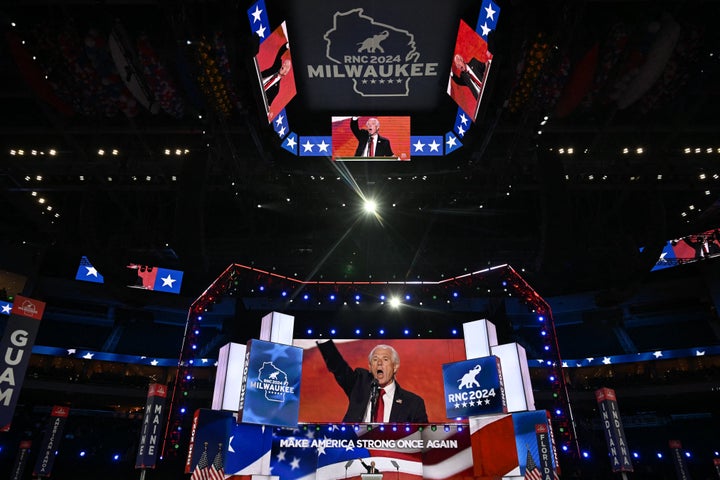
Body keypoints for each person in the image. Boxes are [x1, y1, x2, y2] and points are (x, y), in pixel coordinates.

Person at [316, 339, 428, 423]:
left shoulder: (413, 403)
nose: (379, 363)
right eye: (375, 359)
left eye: (385, 359)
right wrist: (323, 338)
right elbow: (338, 367)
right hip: (357, 452)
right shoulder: (358, 384)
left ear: (395, 367)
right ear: (370, 366)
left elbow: (423, 439)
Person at [261, 43, 292, 107]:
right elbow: (279, 54)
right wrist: (287, 45)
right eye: (284, 63)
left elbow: (269, 104)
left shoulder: (276, 89)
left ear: (286, 73)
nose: (284, 65)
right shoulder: (276, 67)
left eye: (286, 66)